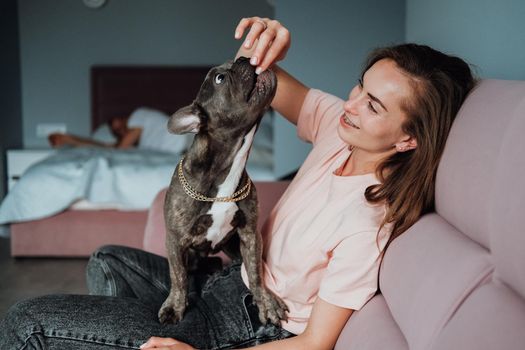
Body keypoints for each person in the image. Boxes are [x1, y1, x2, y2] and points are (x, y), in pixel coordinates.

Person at [0, 17, 476, 350]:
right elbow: (252, 80)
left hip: (246, 327)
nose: (351, 104)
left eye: (374, 105)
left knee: (26, 324)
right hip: (229, 281)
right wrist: (265, 41)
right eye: (360, 86)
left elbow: (314, 343)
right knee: (107, 258)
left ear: (409, 138)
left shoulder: (368, 219)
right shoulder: (340, 129)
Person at [48, 107, 190, 154]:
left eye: (122, 124)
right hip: (182, 150)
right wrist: (71, 139)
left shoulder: (138, 115)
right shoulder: (140, 143)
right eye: (117, 131)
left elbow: (119, 148)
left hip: (188, 138)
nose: (122, 129)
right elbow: (103, 146)